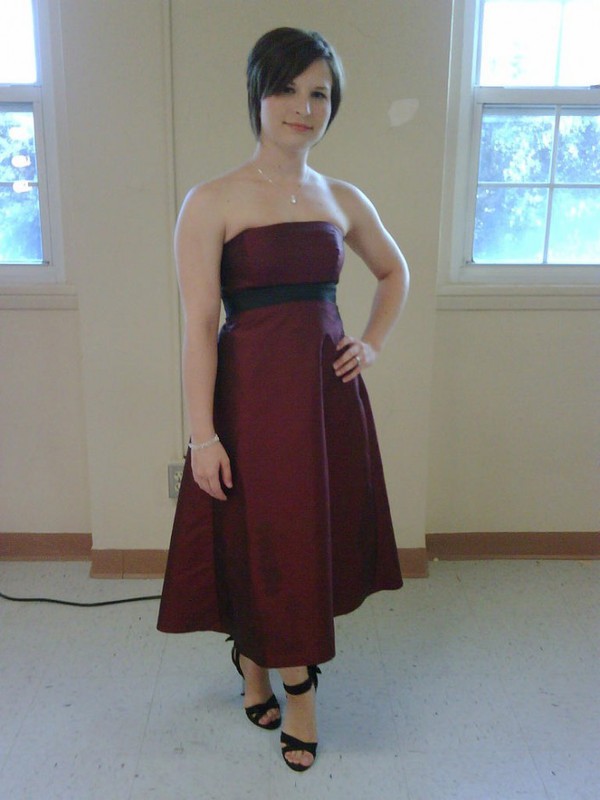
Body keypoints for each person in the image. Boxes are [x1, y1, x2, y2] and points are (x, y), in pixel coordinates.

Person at [157, 26, 409, 772]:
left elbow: (394, 273)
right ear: (258, 95)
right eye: (288, 89)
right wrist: (203, 435)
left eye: (319, 94)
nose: (304, 107)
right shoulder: (212, 200)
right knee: (257, 537)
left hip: (325, 407)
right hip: (250, 404)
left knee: (300, 541)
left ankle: (276, 672)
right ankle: (281, 676)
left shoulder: (341, 197)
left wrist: (371, 342)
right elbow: (199, 327)